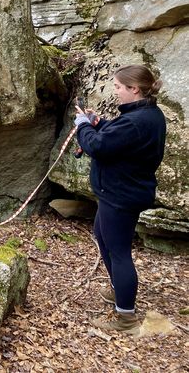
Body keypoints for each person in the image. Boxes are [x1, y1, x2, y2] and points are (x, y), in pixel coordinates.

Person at [74, 64, 166, 333]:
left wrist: (83, 128)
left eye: (118, 87)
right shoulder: (144, 114)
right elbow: (117, 136)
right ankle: (119, 291)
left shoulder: (138, 121)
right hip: (117, 191)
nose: (115, 92)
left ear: (134, 89)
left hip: (121, 195)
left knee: (119, 251)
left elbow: (99, 147)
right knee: (102, 235)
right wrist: (98, 123)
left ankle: (126, 317)